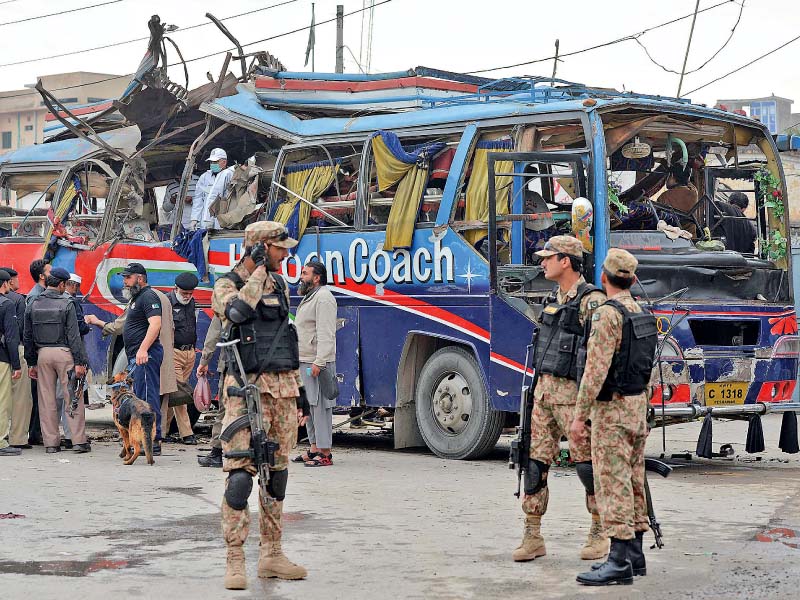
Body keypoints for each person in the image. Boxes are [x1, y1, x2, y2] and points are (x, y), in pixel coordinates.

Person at [212, 221, 309, 590]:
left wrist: (299, 391)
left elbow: (288, 337)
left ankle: (272, 554)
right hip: (245, 392)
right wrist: (257, 272)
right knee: (240, 477)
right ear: (258, 249)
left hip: (282, 389)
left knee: (277, 474)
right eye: (278, 248)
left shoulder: (282, 285)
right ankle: (235, 560)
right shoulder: (228, 284)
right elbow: (236, 313)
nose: (286, 253)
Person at [512, 235, 608, 563]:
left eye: (548, 258)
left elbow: (599, 355)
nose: (542, 263)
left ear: (565, 261)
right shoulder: (554, 298)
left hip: (575, 399)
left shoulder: (590, 301)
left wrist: (590, 403)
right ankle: (532, 533)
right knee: (534, 464)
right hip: (544, 395)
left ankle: (599, 531)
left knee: (587, 467)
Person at [571, 248, 656, 586]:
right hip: (636, 406)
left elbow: (595, 369)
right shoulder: (641, 312)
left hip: (612, 410)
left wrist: (579, 416)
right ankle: (635, 555)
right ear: (633, 280)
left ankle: (618, 559)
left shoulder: (608, 315)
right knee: (634, 480)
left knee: (612, 483)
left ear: (603, 277)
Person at [23, 268, 90, 454]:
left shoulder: (33, 302)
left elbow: (27, 335)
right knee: (73, 397)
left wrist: (31, 362)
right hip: (65, 354)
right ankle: (78, 441)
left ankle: (51, 443)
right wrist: (80, 361)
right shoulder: (67, 303)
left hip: (42, 354)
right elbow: (74, 335)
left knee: (46, 400)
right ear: (61, 284)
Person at [294, 261, 337, 467]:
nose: (301, 276)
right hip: (305, 359)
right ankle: (313, 449)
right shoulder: (310, 297)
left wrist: (320, 361)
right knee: (309, 405)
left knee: (320, 407)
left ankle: (325, 453)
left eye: (304, 273)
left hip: (317, 363)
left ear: (317, 277)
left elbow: (326, 333)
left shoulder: (324, 298)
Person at [163, 272, 200, 445]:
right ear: (175, 288)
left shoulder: (191, 303)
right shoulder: (166, 303)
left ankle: (163, 431)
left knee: (173, 393)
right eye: (184, 293)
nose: (187, 296)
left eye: (190, 293)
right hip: (173, 353)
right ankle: (187, 433)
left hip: (189, 354)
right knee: (181, 395)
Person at [0, 267, 32, 450]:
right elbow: (16, 333)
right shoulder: (14, 301)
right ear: (8, 282)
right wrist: (17, 364)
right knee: (17, 398)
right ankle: (16, 438)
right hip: (10, 354)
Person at [26, 259, 50, 446]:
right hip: (38, 352)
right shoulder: (35, 297)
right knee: (37, 395)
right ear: (42, 276)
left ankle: (37, 432)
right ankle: (35, 433)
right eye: (49, 271)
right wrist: (32, 359)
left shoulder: (41, 294)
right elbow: (31, 329)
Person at [0, 269, 23, 456]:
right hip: (2, 359)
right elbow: (10, 337)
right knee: (2, 402)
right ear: (4, 284)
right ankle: (1, 441)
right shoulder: (6, 304)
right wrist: (16, 365)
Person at [197, 314, 224, 467]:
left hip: (233, 367)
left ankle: (216, 454)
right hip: (261, 369)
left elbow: (213, 335)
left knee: (225, 411)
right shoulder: (269, 299)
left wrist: (204, 361)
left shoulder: (227, 300)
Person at [193, 148, 227, 230]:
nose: (212, 164)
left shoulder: (229, 175)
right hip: (205, 221)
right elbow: (198, 199)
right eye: (211, 162)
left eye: (215, 162)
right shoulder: (204, 177)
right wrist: (194, 218)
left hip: (223, 222)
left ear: (224, 162)